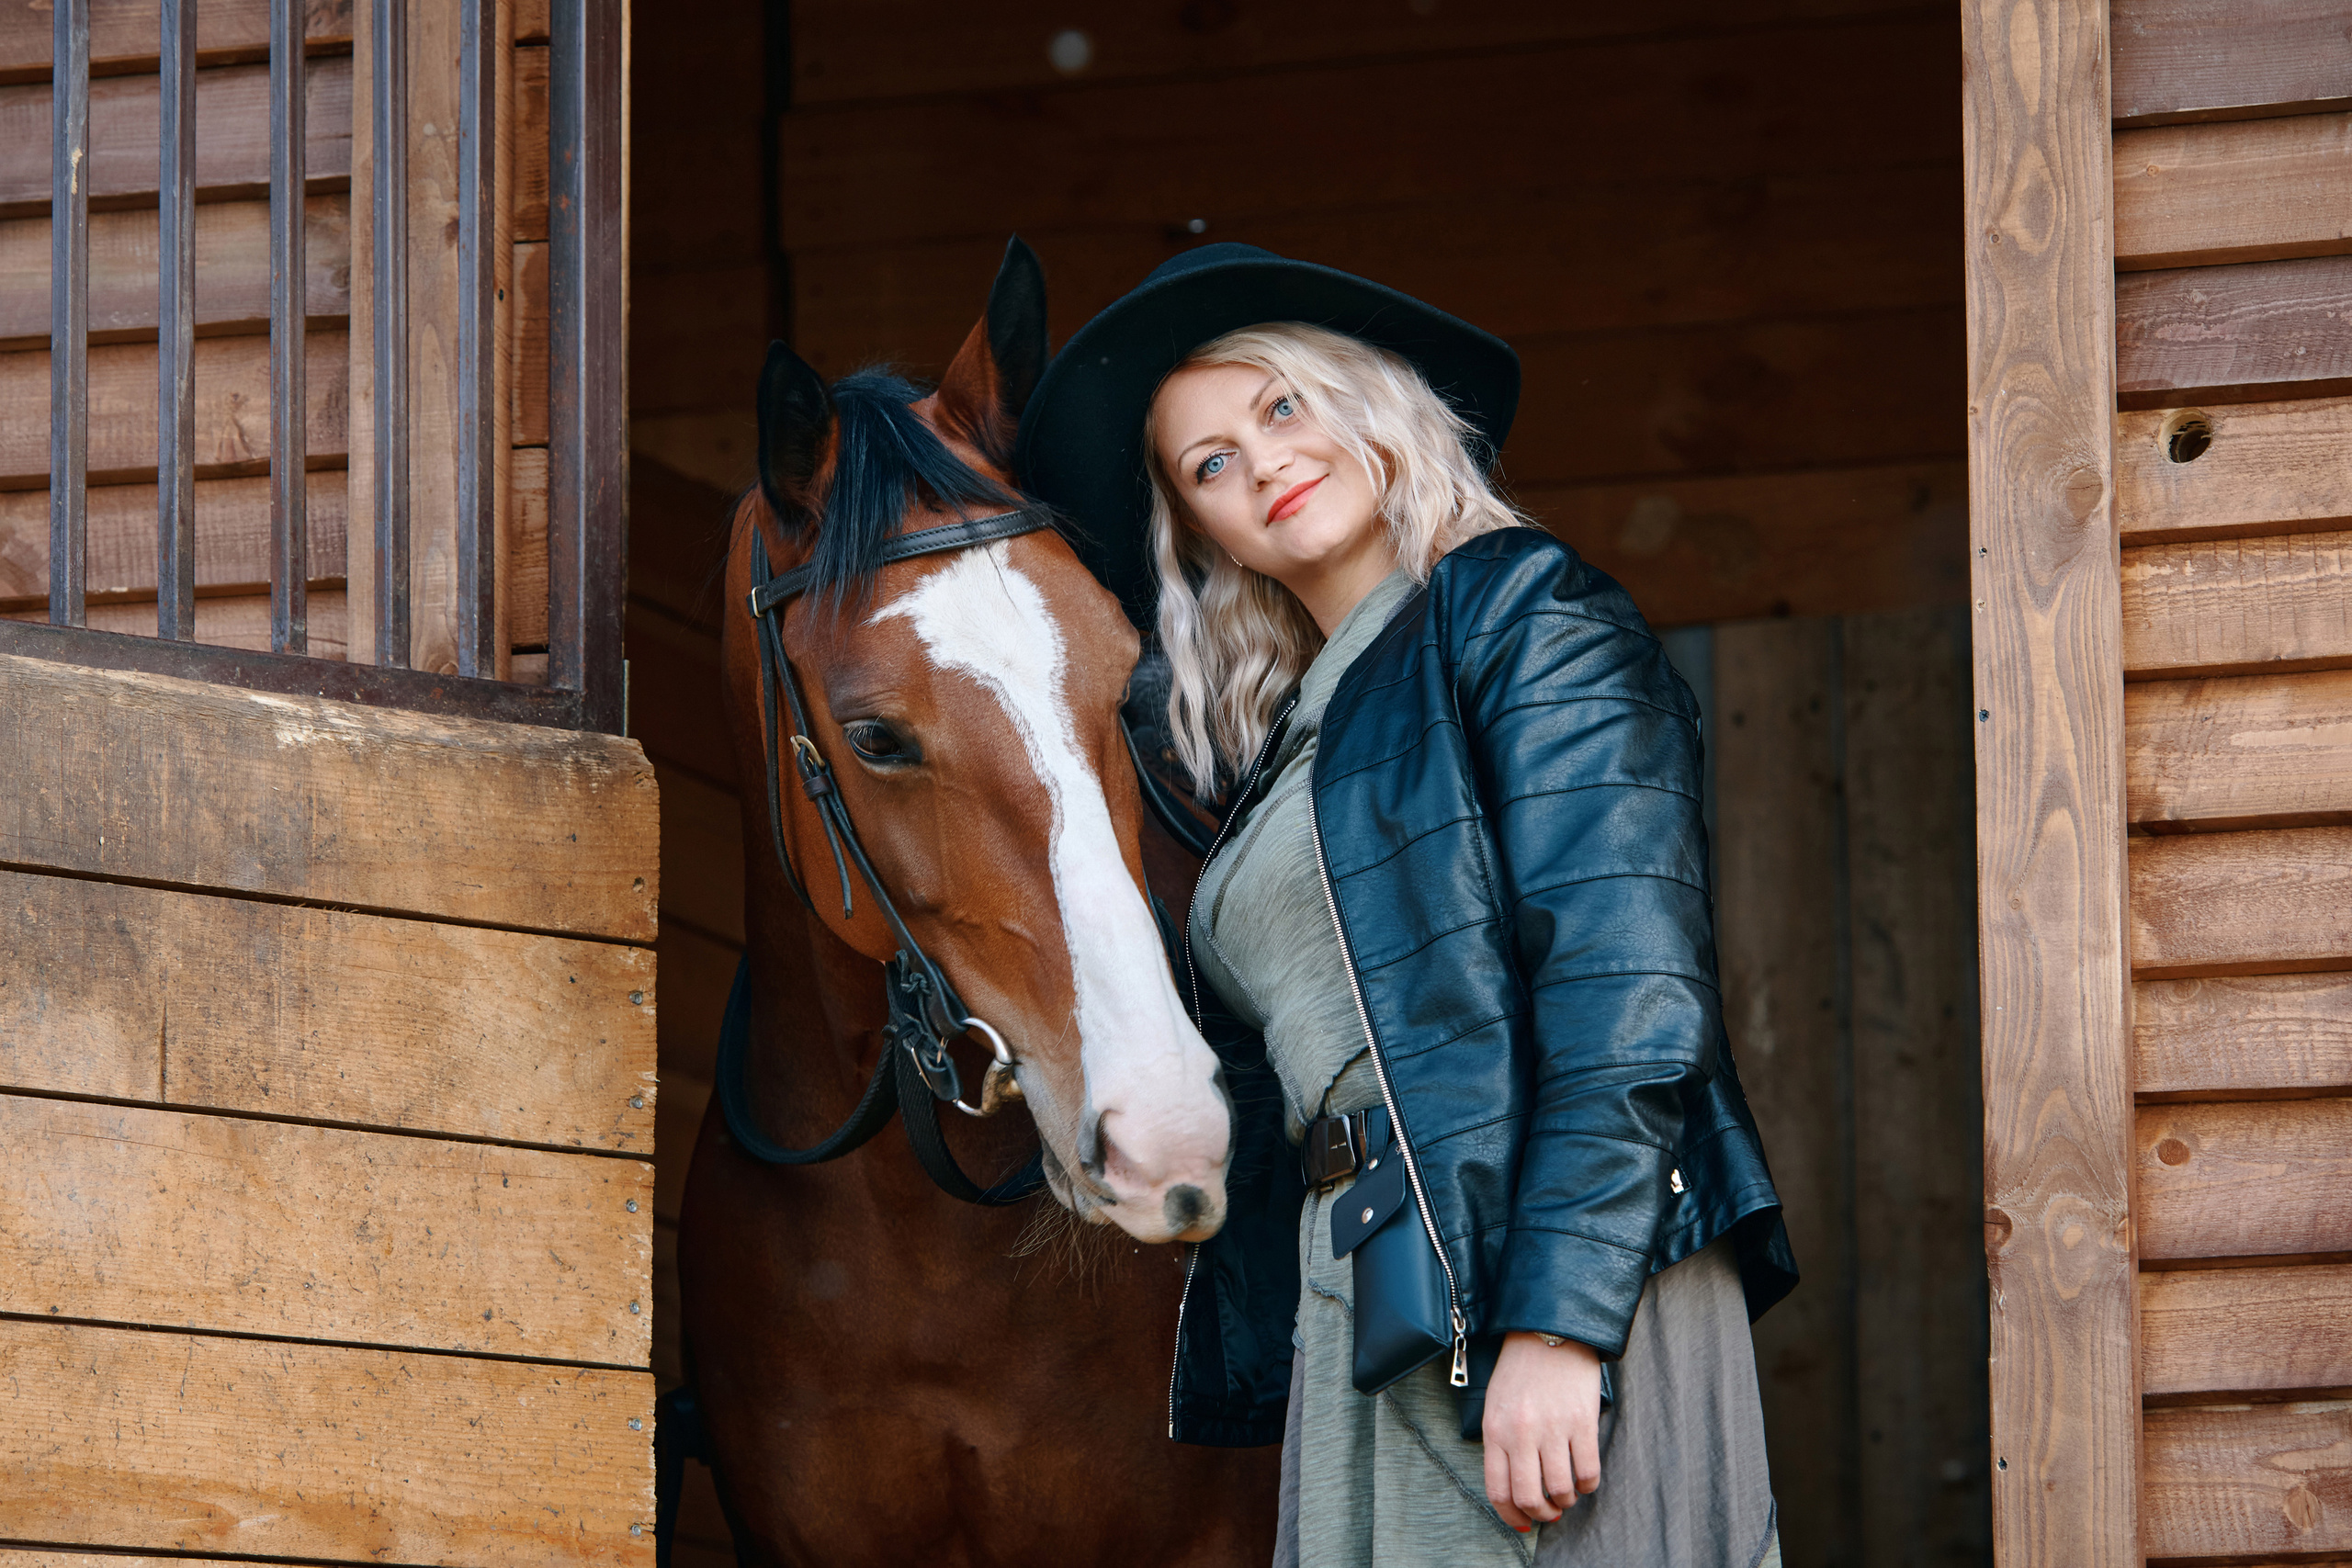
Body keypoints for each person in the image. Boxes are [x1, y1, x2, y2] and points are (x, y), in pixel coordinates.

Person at [1016, 245, 1797, 1568]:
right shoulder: (1285, 744)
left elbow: (1628, 986)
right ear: (1200, 534)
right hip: (1373, 1276)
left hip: (1545, 1258)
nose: (1263, 463)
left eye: (1281, 406)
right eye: (1210, 464)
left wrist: (1560, 1324)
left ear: (1367, 402)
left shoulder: (1519, 610)